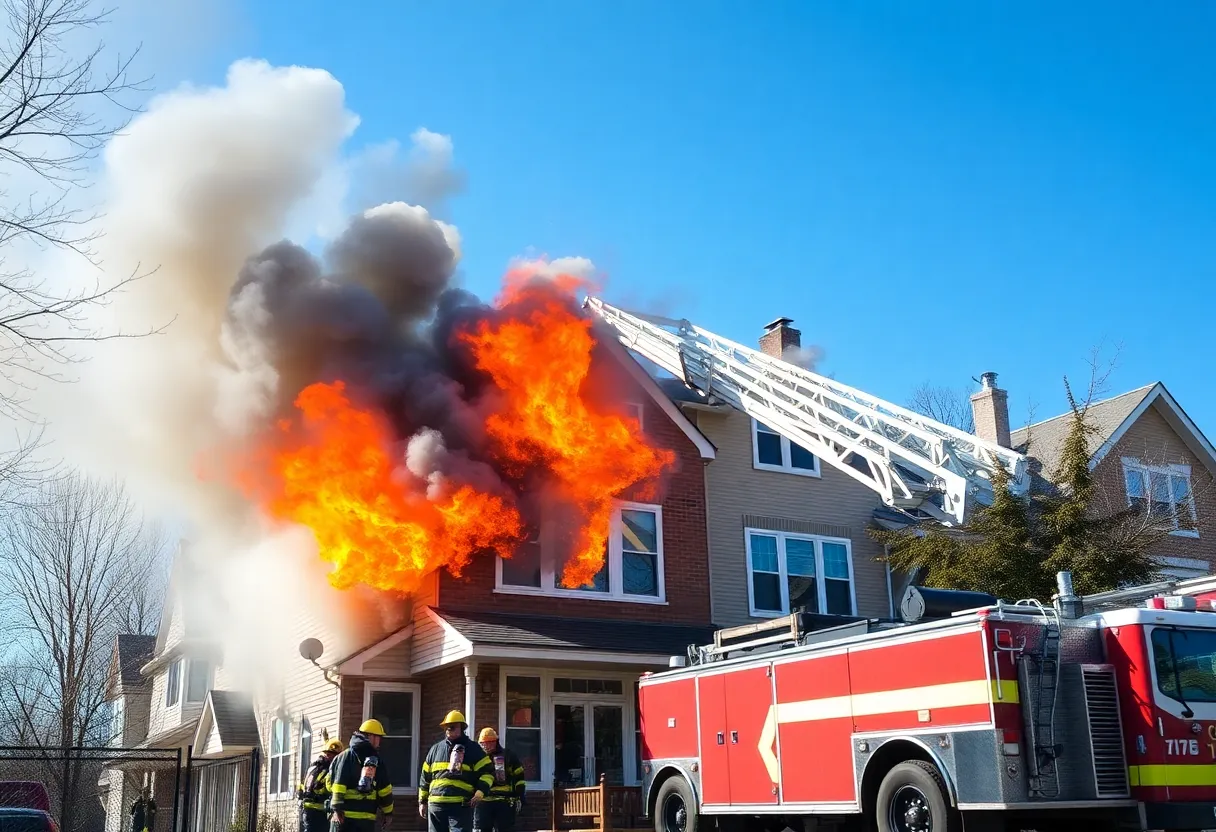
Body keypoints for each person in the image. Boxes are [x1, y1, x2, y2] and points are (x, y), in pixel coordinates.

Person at [418, 711, 493, 832]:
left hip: (460, 804)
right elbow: (425, 777)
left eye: (453, 726)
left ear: (461, 728)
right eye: (447, 727)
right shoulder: (435, 749)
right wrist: (422, 801)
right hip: (436, 804)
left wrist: (480, 792)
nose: (449, 729)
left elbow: (488, 773)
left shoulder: (473, 749)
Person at [329, 720, 394, 832]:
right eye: (378, 737)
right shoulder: (376, 760)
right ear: (370, 736)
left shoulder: (345, 756)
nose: (380, 741)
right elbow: (385, 790)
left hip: (344, 818)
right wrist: (388, 813)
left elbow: (336, 784)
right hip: (366, 820)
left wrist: (336, 809)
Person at [472, 728, 525, 832]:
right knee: (481, 829)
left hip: (504, 801)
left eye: (490, 743)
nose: (486, 746)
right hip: (483, 802)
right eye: (483, 743)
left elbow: (519, 776)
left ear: (496, 742)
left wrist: (520, 795)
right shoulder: (477, 758)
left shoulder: (508, 756)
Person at [298, 738, 345, 832]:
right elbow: (330, 788)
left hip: (305, 809)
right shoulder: (330, 770)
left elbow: (302, 785)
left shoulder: (313, 767)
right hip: (319, 812)